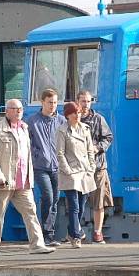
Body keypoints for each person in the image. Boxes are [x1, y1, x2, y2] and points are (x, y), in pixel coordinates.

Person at [0, 99, 55, 256]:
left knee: (30, 211)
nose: (19, 112)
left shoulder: (24, 128)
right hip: (4, 181)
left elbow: (27, 156)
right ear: (7, 111)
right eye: (15, 109)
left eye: (21, 109)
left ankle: (37, 244)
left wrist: (30, 176)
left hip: (23, 181)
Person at [26, 88, 66, 246]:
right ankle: (46, 235)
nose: (53, 106)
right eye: (50, 102)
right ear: (42, 102)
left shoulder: (61, 121)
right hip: (40, 166)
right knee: (48, 196)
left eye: (55, 103)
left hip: (57, 166)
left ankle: (48, 234)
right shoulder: (32, 121)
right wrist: (35, 154)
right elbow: (27, 142)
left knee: (55, 199)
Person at [56, 102, 96, 248]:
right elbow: (60, 153)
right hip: (71, 173)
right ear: (67, 115)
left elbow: (90, 150)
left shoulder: (85, 129)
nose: (77, 115)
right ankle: (76, 237)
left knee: (82, 204)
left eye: (78, 112)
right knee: (74, 206)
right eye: (74, 113)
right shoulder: (62, 131)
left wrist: (92, 167)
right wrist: (67, 170)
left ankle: (71, 231)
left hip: (85, 172)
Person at [77, 90, 113, 243]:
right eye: (83, 101)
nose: (86, 104)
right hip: (78, 168)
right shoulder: (73, 119)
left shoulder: (98, 119)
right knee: (77, 201)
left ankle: (98, 232)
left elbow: (108, 137)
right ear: (77, 101)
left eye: (88, 101)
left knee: (99, 201)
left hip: (98, 166)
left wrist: (97, 147)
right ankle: (75, 231)